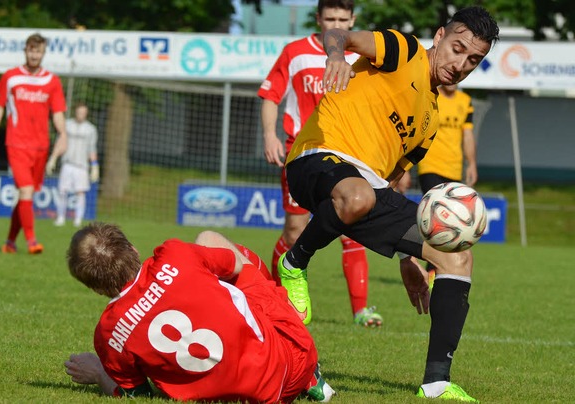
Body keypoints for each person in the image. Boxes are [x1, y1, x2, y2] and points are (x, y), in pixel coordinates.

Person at [277, 6, 498, 401]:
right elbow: (341, 38)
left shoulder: (429, 120)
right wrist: (334, 58)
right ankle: (295, 263)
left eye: (473, 60)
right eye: (457, 48)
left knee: (456, 255)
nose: (460, 63)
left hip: (367, 189)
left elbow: (390, 188)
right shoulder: (403, 49)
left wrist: (407, 258)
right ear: (439, 36)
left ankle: (435, 384)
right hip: (316, 157)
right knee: (358, 194)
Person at [63, 223, 335, 403]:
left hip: (252, 396)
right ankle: (310, 376)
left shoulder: (108, 334)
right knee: (209, 240)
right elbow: (235, 266)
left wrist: (99, 373)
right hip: (295, 358)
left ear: (96, 289)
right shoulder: (174, 254)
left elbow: (138, 395)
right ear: (133, 249)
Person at [258, 0, 382, 327]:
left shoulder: (362, 57)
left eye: (343, 18)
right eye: (330, 18)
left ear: (353, 19)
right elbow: (271, 95)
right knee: (294, 231)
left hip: (346, 154)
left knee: (352, 228)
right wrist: (270, 135)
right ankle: (275, 300)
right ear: (318, 19)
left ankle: (361, 311)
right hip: (302, 153)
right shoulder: (295, 52)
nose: (336, 24)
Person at [0, 33, 67, 255]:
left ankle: (10, 242)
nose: (34, 54)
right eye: (31, 50)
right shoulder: (11, 77)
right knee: (27, 191)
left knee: (25, 196)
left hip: (41, 146)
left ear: (43, 53)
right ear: (25, 51)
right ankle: (32, 241)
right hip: (17, 144)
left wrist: (64, 133)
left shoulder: (52, 81)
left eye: (38, 51)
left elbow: (57, 113)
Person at [418, 83, 478, 284]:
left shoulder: (465, 101)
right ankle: (435, 269)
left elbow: (467, 135)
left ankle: (434, 270)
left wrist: (472, 164)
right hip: (430, 166)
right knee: (438, 222)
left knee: (452, 226)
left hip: (454, 170)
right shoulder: (431, 95)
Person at [48, 102, 99, 227]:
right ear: (75, 112)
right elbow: (60, 142)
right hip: (67, 164)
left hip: (81, 166)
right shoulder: (67, 125)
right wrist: (53, 158)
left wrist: (94, 166)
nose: (81, 114)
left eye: (83, 112)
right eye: (79, 112)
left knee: (80, 193)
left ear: (86, 113)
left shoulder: (91, 129)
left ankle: (78, 219)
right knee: (62, 191)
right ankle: (60, 217)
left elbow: (92, 149)